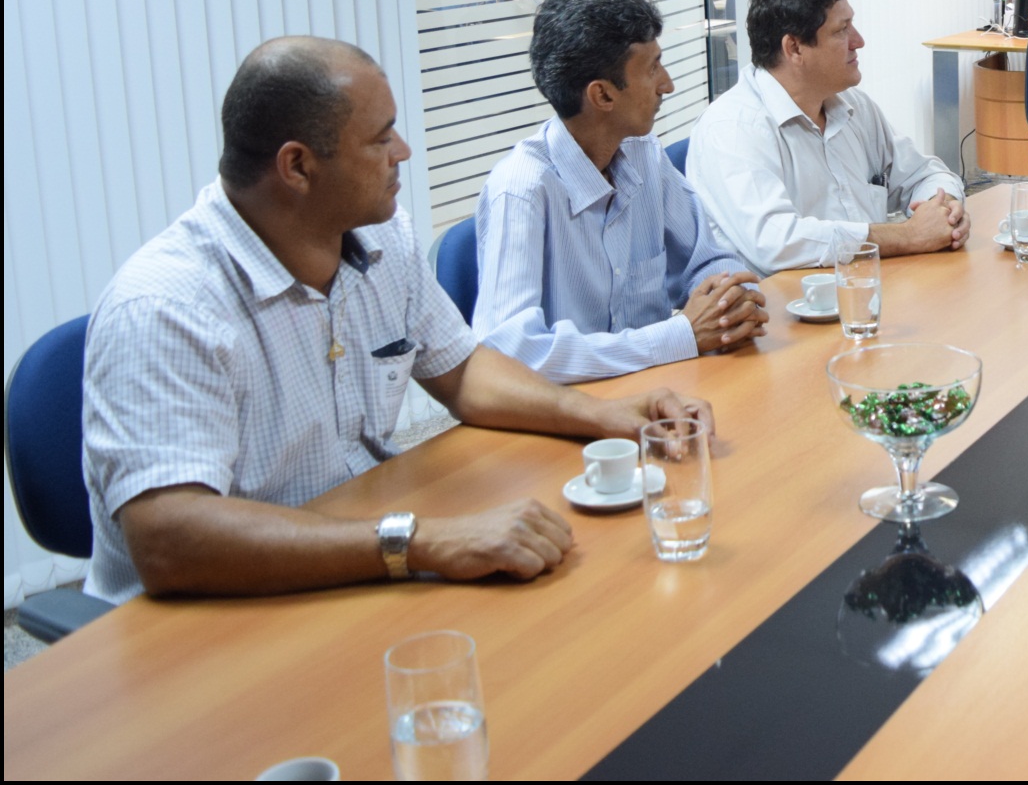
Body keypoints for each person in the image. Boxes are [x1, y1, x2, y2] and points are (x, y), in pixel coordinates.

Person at [82, 37, 710, 604]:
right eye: (381, 139)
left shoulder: (380, 241)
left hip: (352, 558)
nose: (403, 153)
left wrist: (605, 415)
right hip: (215, 612)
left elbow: (462, 372)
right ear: (297, 167)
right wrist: (418, 541)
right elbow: (168, 538)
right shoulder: (166, 307)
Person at [474, 0, 766, 380]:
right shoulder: (522, 190)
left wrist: (728, 297)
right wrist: (679, 335)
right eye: (652, 69)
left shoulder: (643, 153)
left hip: (659, 390)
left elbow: (706, 259)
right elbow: (510, 355)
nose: (668, 84)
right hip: (575, 412)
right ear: (603, 95)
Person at [688, 0, 968, 274]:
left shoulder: (852, 106)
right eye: (841, 30)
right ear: (794, 48)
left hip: (864, 288)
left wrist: (943, 208)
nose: (858, 41)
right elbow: (778, 241)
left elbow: (925, 173)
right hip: (783, 311)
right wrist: (907, 236)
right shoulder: (732, 129)